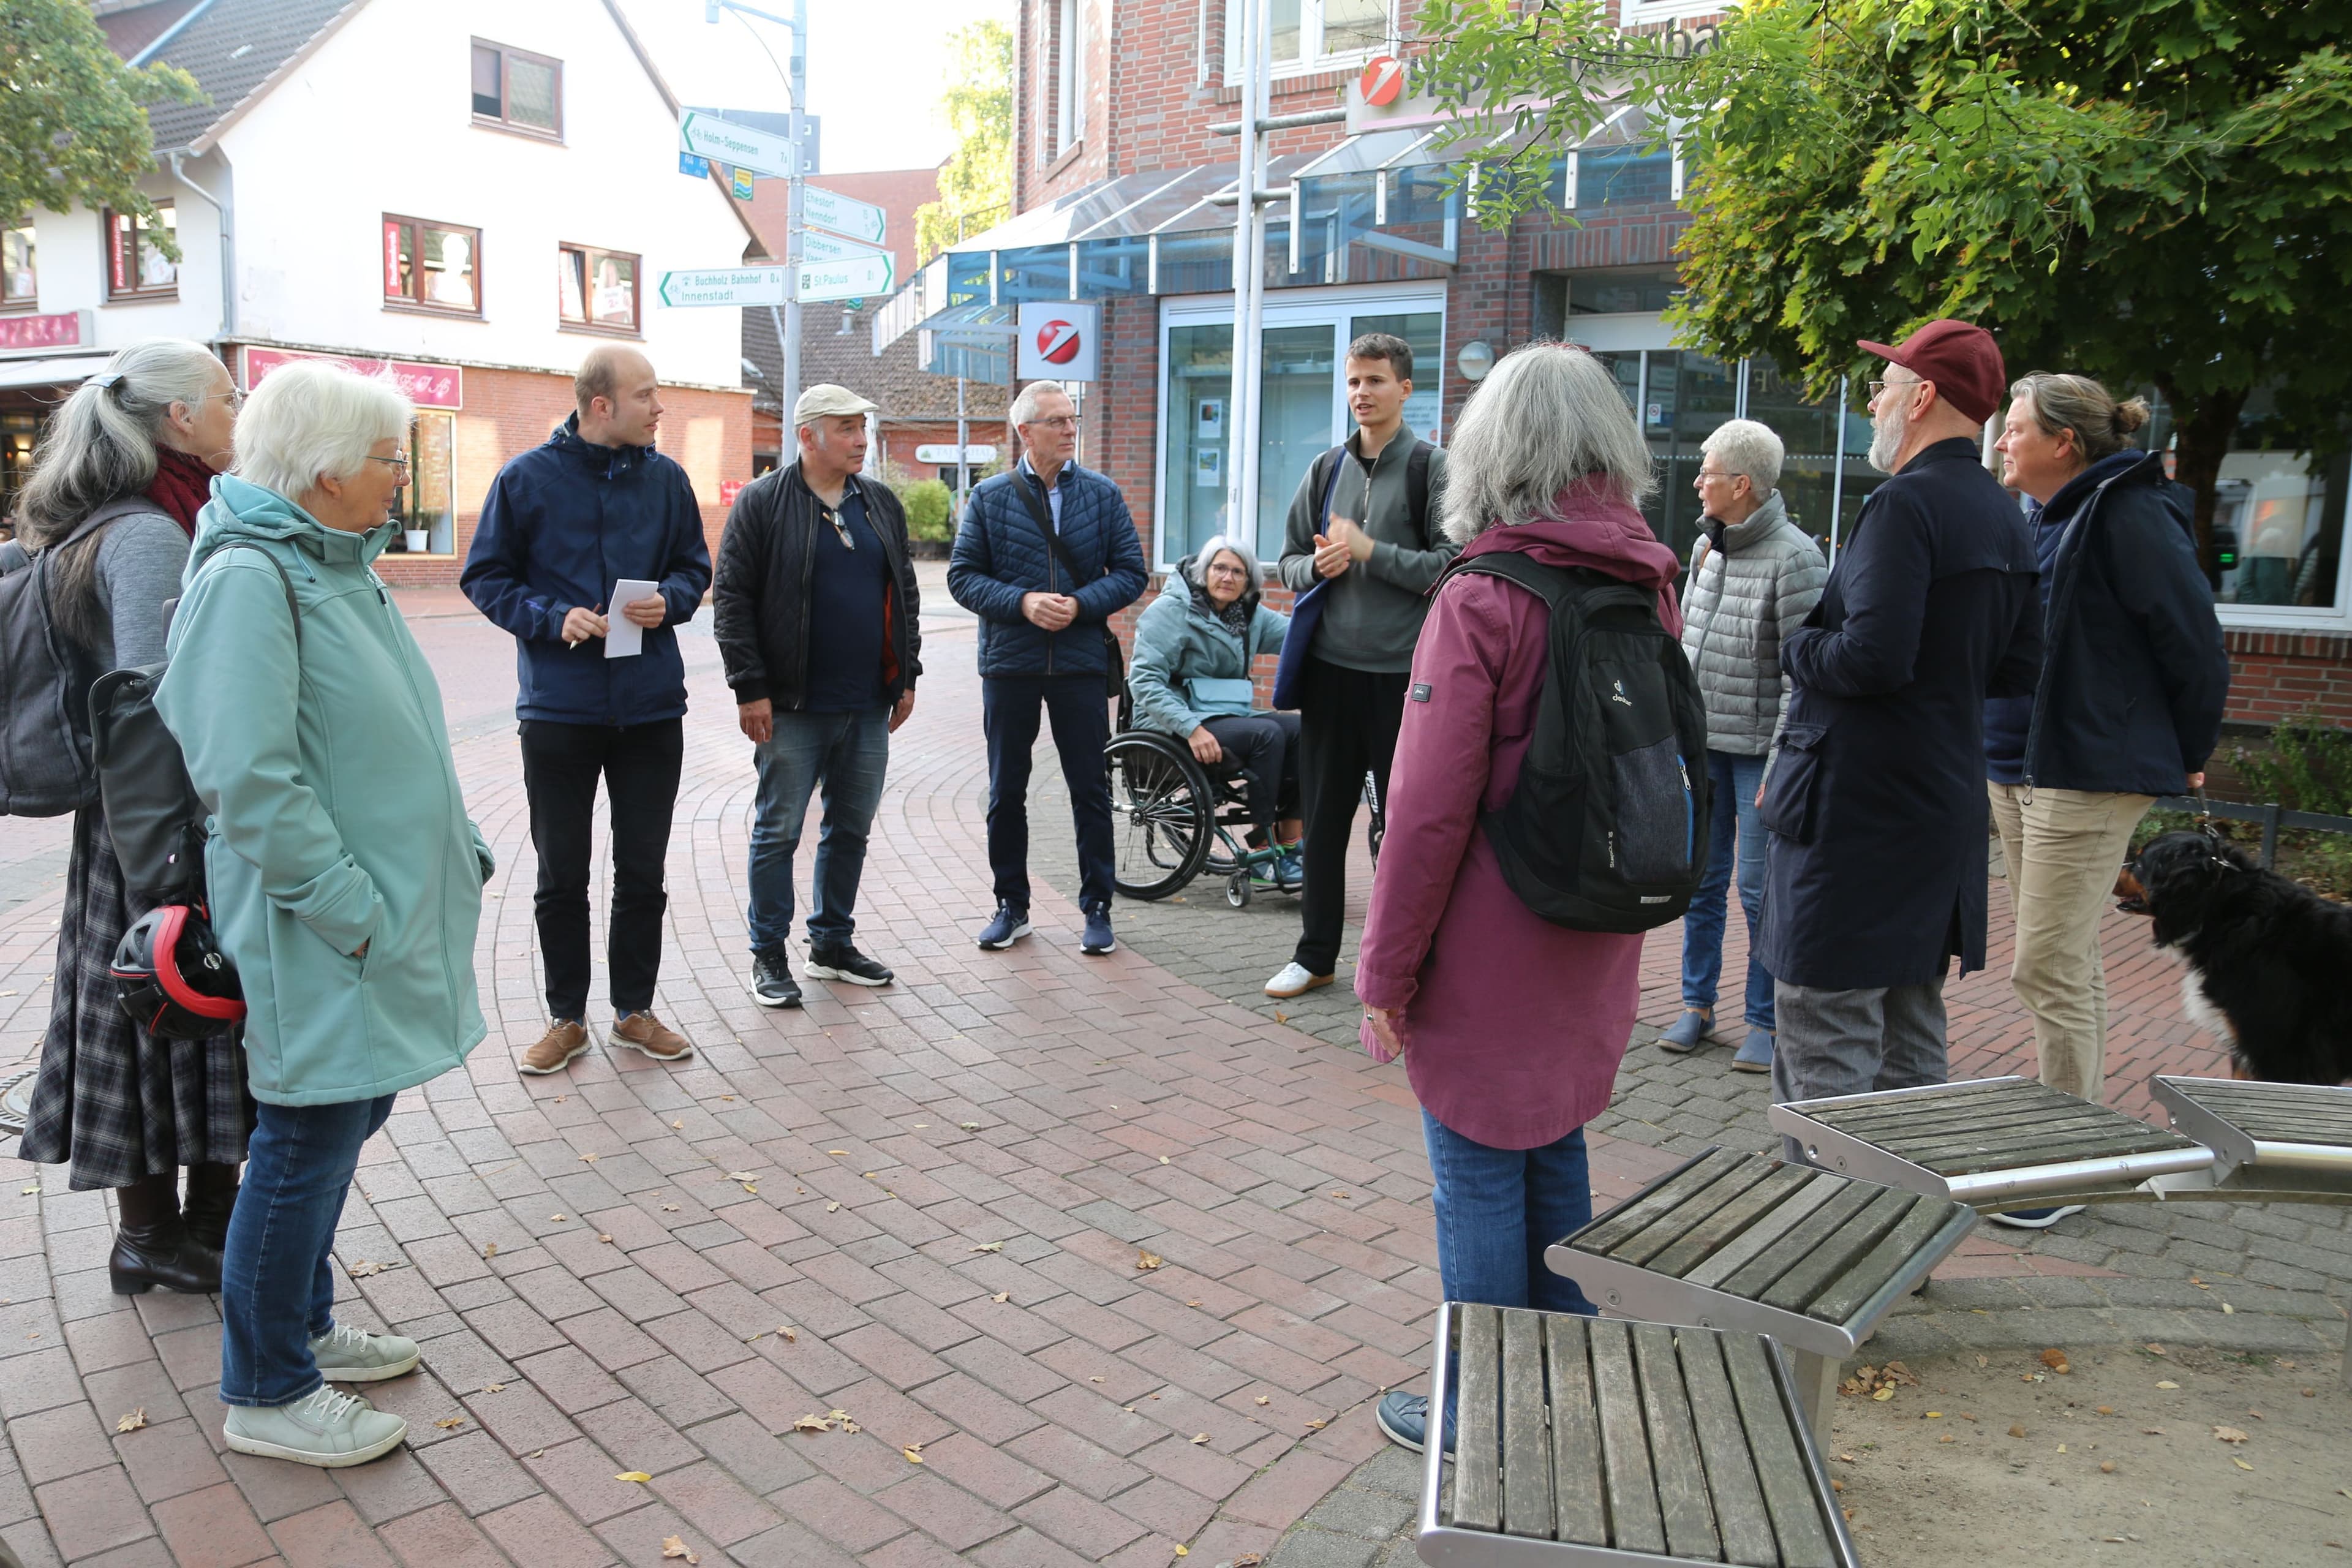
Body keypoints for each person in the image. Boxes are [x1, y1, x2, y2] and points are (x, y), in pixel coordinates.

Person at [156, 359, 493, 1468]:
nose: (403, 478)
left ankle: (300, 1326)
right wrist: (346, 903)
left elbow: (377, 741)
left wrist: (454, 847)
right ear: (321, 472)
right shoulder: (255, 577)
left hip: (367, 916)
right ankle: (267, 1387)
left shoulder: (333, 562)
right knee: (306, 1140)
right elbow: (247, 776)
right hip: (324, 925)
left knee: (342, 1123)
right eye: (391, 458)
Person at [1355, 344, 1681, 1453]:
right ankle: (1561, 1377)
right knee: (1555, 1146)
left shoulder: (1484, 596)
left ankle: (1483, 1414)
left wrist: (1385, 974)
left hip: (1488, 943)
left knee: (1478, 1171)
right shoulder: (1645, 582)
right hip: (1593, 928)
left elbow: (1427, 813)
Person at [1758, 320, 2042, 1151]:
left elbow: (1872, 659)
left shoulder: (1905, 504)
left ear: (1921, 398)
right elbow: (2019, 668)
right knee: (1912, 1034)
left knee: (1826, 1027)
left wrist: (1795, 645)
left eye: (1885, 385)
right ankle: (1904, 1248)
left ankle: (1830, 1246)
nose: (1874, 399)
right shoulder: (2005, 514)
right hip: (1939, 805)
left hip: (1856, 814)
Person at [13, 338, 249, 1295]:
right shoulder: (152, 530)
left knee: (153, 1026)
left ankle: (187, 1229)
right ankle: (158, 1235)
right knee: (175, 1022)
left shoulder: (127, 520)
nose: (241, 409)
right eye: (226, 398)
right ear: (179, 420)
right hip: (157, 830)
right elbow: (166, 701)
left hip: (130, 825)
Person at [1981, 372, 2228, 1226]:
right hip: (2019, 762)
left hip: (2089, 768)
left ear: (2065, 443)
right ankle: (2078, 1132)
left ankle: (2064, 1164)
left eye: (2016, 429)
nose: (2002, 441)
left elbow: (2194, 643)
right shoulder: (2043, 515)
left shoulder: (2127, 513)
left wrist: (2192, 752)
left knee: (2043, 964)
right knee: (2069, 959)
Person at [461, 345, 711, 1074]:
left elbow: (696, 567)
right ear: (601, 405)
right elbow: (485, 576)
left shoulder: (668, 480)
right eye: (646, 395)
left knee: (643, 871)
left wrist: (676, 598)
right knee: (561, 872)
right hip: (558, 710)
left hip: (652, 708)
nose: (659, 406)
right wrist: (550, 617)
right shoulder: (525, 479)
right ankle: (566, 1017)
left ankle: (634, 1011)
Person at [714, 385, 921, 1008]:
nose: (861, 439)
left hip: (865, 704)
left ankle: (830, 943)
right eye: (847, 428)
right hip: (791, 706)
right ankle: (768, 953)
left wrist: (906, 674)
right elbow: (732, 600)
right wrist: (750, 688)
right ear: (808, 436)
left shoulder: (879, 502)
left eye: (863, 427)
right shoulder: (762, 503)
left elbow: (904, 589)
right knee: (778, 831)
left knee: (850, 829)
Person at [1268, 333, 1457, 1000]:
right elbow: (1285, 560)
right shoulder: (1324, 470)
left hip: (1403, 681)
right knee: (1321, 822)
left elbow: (1452, 569)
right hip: (1329, 675)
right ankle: (1315, 955)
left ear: (1406, 389)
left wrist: (1371, 549)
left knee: (1402, 827)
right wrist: (1311, 566)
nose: (1361, 394)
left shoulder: (1432, 469)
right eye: (1353, 381)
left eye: (1375, 381)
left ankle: (1402, 964)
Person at [948, 379, 1146, 956]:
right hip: (1010, 663)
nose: (1069, 429)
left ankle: (1098, 907)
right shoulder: (990, 497)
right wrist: (1024, 602)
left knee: (1089, 787)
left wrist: (1082, 604)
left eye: (1071, 419)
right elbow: (963, 576)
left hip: (1081, 663)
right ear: (1025, 431)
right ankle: (1011, 906)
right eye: (1056, 421)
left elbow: (1131, 572)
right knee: (1006, 789)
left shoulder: (1103, 495)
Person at [1660, 419, 1827, 1072]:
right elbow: (1685, 650)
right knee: (1700, 883)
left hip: (1758, 756)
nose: (1698, 480)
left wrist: (1783, 763)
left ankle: (1765, 1018)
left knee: (1759, 891)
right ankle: (1695, 1004)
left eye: (1708, 471)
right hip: (1701, 750)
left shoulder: (1797, 558)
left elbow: (1803, 677)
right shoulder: (1706, 549)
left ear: (1743, 483)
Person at [1125, 535, 1299, 883]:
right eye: (1220, 568)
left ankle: (1292, 842)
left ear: (1248, 581)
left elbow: (1300, 634)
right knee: (1266, 734)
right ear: (1204, 571)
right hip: (1169, 719)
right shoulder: (1171, 611)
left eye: (1238, 572)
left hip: (1223, 711)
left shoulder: (1248, 616)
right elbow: (1144, 682)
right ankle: (1261, 850)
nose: (1228, 578)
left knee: (1301, 731)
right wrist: (1191, 728)